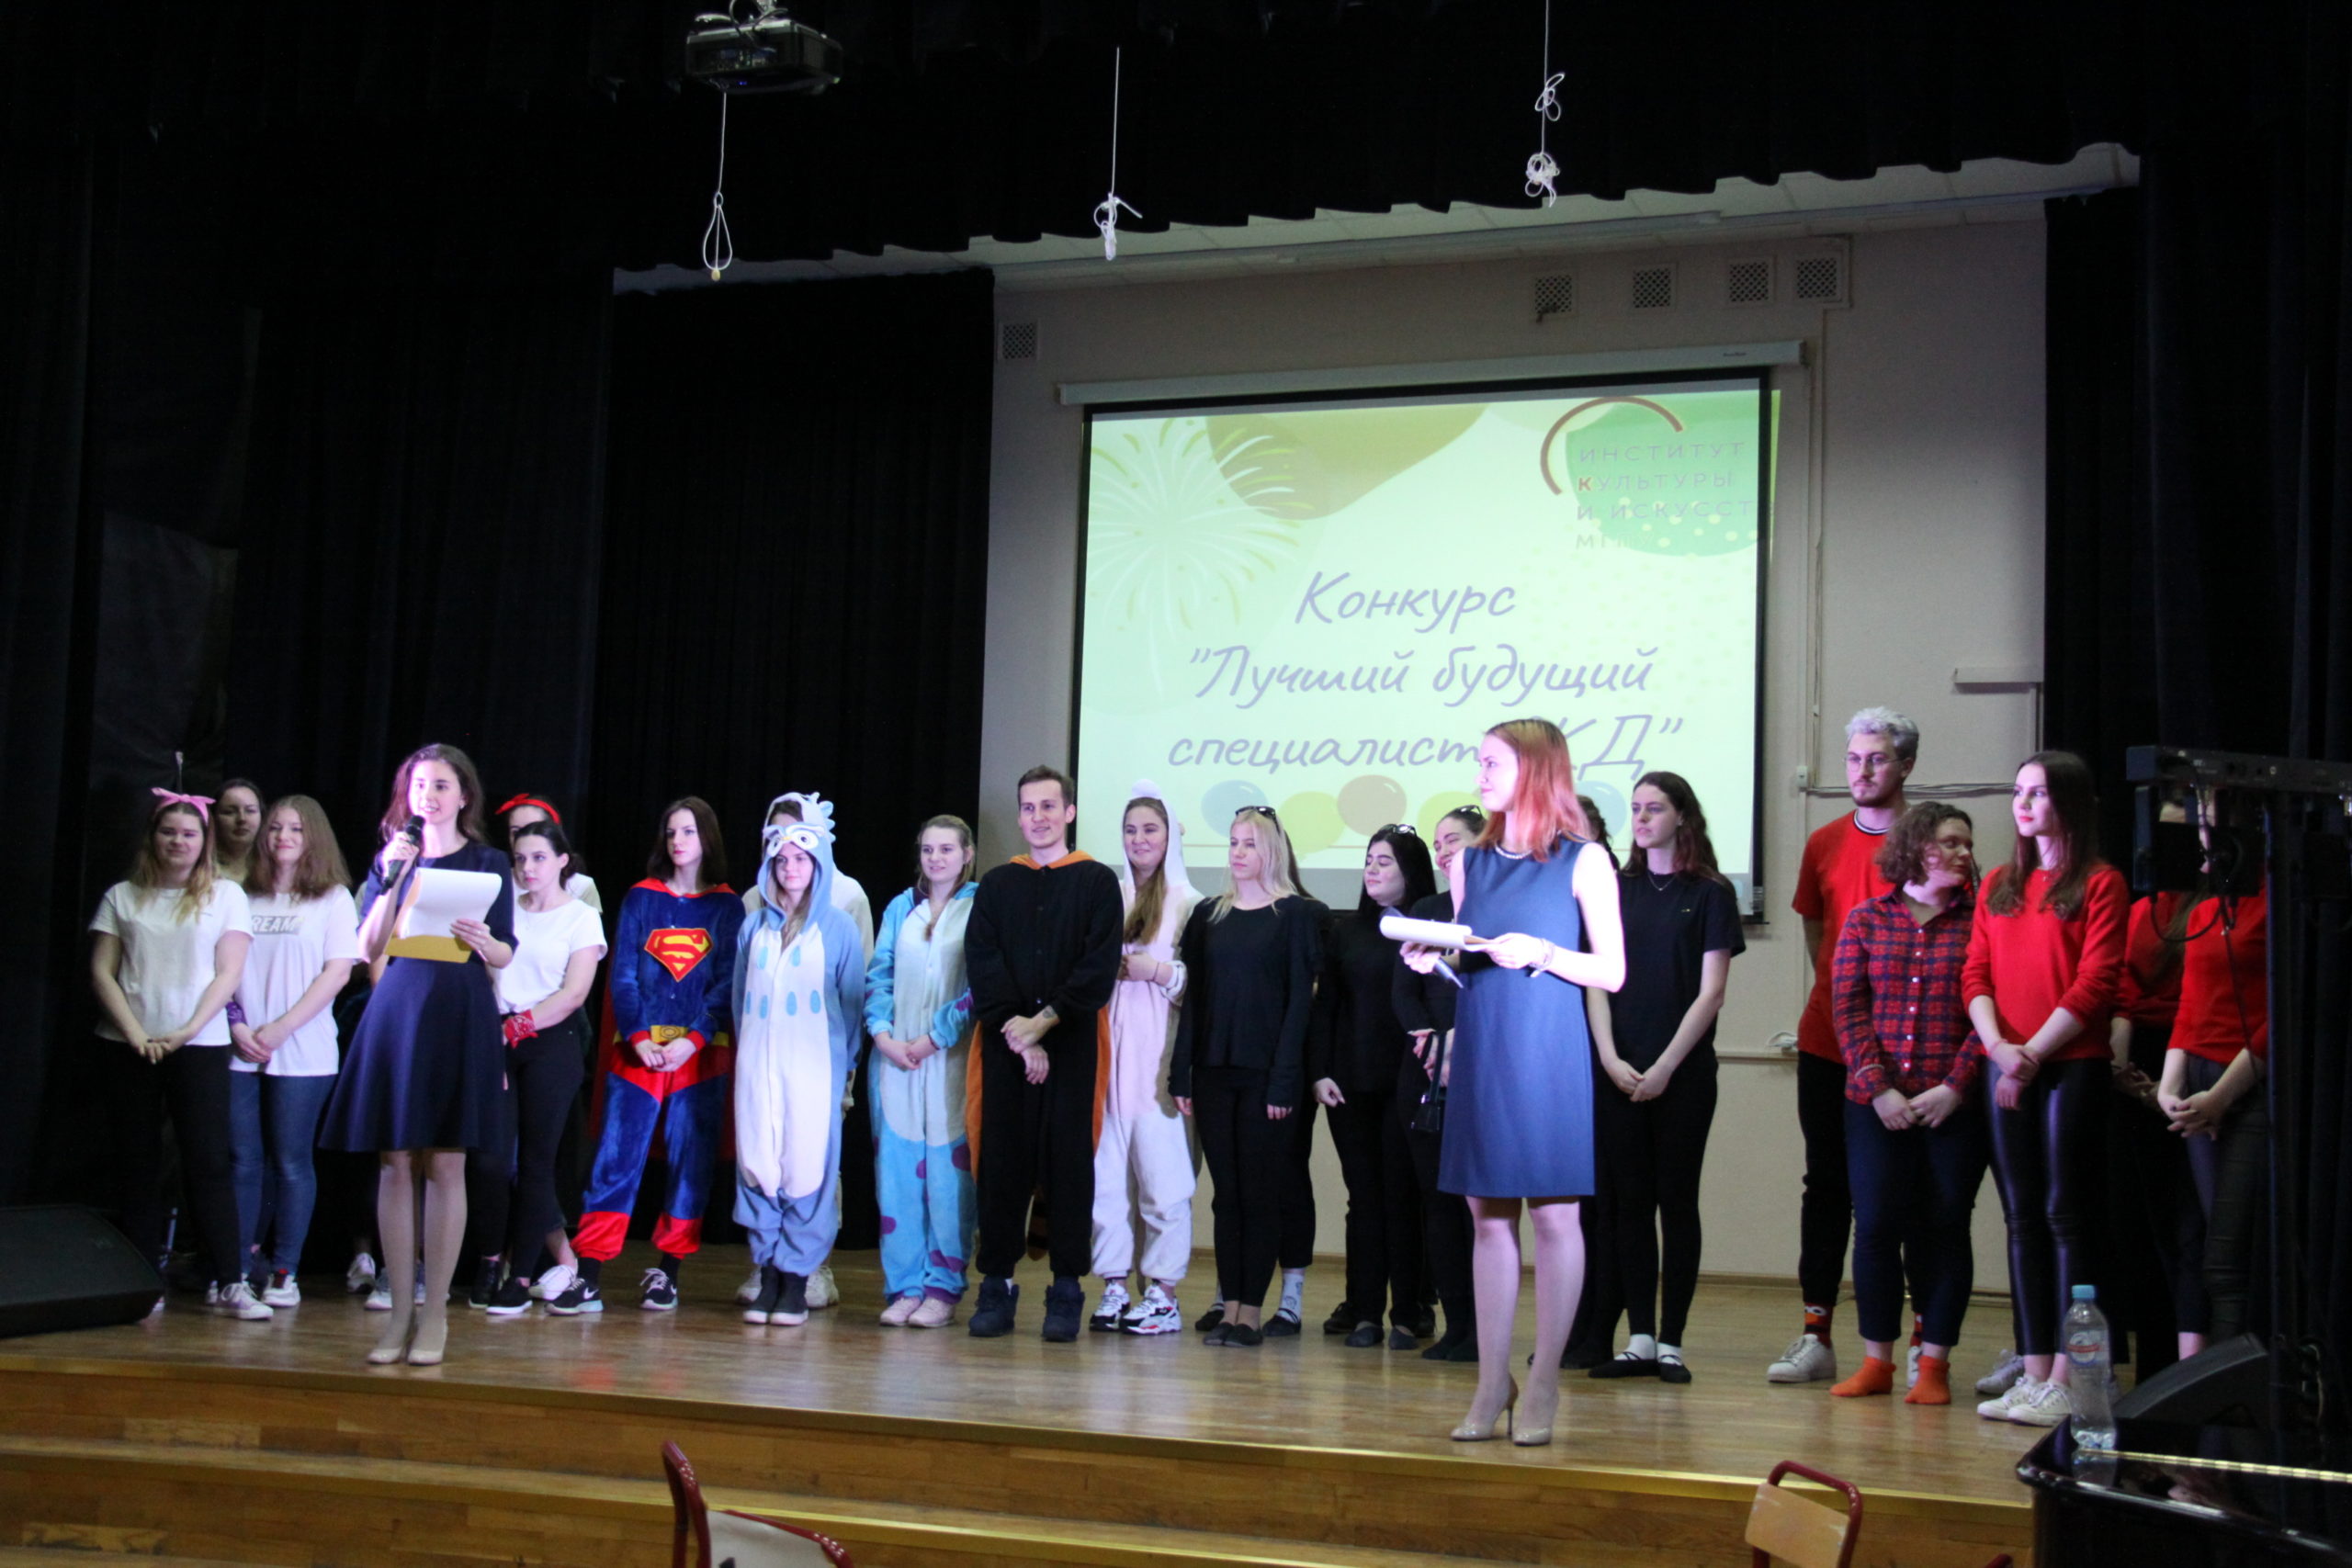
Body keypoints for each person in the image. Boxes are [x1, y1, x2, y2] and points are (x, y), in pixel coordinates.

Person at [1401, 718, 1624, 1445]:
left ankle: (1545, 1380)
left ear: (1533, 769)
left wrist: (1545, 951)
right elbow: (1472, 955)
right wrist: (1433, 956)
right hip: (1486, 1047)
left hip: (1548, 1050)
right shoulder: (1470, 862)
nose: (1480, 775)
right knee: (1487, 1217)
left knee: (1556, 1216)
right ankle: (1492, 1381)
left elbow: (1612, 971)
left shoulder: (1586, 859)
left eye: (1491, 763)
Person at [319, 744, 515, 1364]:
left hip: (459, 1005)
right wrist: (390, 878)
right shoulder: (393, 859)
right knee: (395, 1160)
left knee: (446, 1162)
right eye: (420, 784)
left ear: (464, 796)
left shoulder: (488, 862)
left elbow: (506, 951)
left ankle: (435, 1316)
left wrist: (485, 941)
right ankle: (399, 1312)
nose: (428, 795)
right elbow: (367, 945)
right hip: (400, 1005)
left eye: (441, 785)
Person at [1964, 750, 2129, 1427]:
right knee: (2022, 1217)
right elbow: (1975, 975)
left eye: (2038, 792)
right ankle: (2034, 1373)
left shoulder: (2101, 882)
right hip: (2006, 1063)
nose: (2024, 804)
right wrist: (2000, 1049)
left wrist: (2031, 1053)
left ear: (2070, 802)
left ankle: (2074, 1374)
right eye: (2018, 792)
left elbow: (2095, 983)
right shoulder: (1999, 884)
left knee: (2067, 1215)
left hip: (2069, 1064)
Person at [1774, 705, 1917, 1385]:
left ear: (1906, 765)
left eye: (1877, 758)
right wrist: (1844, 1000)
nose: (1862, 770)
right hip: (1828, 1043)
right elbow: (1816, 931)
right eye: (1854, 758)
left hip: (1905, 1055)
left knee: (1899, 1197)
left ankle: (1917, 1343)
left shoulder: (1929, 840)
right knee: (1825, 1186)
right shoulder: (1825, 841)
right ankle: (1816, 1333)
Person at [1586, 772, 1744, 1384]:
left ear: (1682, 815)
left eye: (1655, 808)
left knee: (1676, 1202)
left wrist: (1665, 1067)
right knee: (1629, 1205)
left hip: (1682, 1074)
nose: (1642, 818)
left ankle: (1672, 1340)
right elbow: (1596, 981)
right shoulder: (1615, 889)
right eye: (1635, 808)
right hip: (1618, 1070)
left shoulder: (1710, 893)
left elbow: (1712, 993)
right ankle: (1640, 1339)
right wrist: (1608, 1056)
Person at [1826, 803, 1987, 1406]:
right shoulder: (1868, 919)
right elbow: (1849, 1008)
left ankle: (1934, 1367)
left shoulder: (1982, 922)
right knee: (1875, 1226)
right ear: (1918, 848)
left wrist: (1957, 1084)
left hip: (1953, 1104)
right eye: (1950, 842)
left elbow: (1992, 1008)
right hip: (1876, 1103)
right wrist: (1879, 1086)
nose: (1963, 853)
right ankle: (1877, 1362)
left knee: (1944, 1226)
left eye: (1967, 844)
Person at [963, 765, 1125, 1342]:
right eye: (1029, 808)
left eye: (1049, 806)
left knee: (1068, 1167)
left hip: (1073, 1044)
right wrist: (1019, 1032)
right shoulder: (997, 885)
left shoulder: (1097, 882)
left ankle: (1066, 1290)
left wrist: (1043, 1023)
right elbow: (983, 961)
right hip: (1006, 1047)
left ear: (1070, 812)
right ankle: (996, 1285)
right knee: (1003, 1165)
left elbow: (1097, 968)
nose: (1039, 817)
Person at [90, 789, 259, 1318]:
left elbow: (229, 973)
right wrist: (134, 1032)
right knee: (136, 1164)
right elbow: (102, 971)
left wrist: (186, 1031)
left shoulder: (226, 896)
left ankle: (230, 1280)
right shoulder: (122, 896)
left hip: (199, 1045)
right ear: (153, 837)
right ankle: (144, 1282)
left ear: (203, 842)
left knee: (208, 1161)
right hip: (128, 1045)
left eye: (189, 834)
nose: (178, 842)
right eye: (169, 832)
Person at [574, 797, 741, 1314]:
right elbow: (622, 975)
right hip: (639, 1051)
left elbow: (726, 984)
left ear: (707, 837)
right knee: (616, 1158)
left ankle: (669, 1272)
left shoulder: (727, 906)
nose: (678, 842)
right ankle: (589, 1274)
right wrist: (639, 1036)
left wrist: (694, 1039)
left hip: (700, 1056)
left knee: (691, 1163)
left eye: (688, 832)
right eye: (671, 832)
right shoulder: (641, 897)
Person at [1169, 807, 1320, 1348]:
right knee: (1226, 1195)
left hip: (1265, 1077)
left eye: (1249, 843)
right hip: (1213, 1072)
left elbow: (1299, 1006)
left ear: (1271, 851)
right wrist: (1181, 1074)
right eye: (1233, 842)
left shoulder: (1294, 915)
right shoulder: (1209, 915)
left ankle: (1250, 1312)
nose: (1238, 852)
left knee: (1260, 1194)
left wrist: (1284, 1081)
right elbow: (1194, 1001)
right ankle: (1229, 1305)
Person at [733, 791, 876, 1314]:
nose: (791, 867)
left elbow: (852, 1002)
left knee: (808, 1165)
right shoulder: (754, 926)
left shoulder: (837, 926)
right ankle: (768, 1270)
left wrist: (843, 1070)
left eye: (801, 857)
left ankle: (798, 1276)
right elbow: (739, 1000)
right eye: (782, 858)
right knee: (760, 1162)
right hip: (760, 1070)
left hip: (815, 1070)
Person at [227, 795, 358, 1307]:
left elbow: (337, 973)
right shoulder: (241, 896)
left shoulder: (332, 899)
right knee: (243, 1162)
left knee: (290, 1162)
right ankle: (237, 1270)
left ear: (313, 839)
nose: (283, 837)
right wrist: (238, 1026)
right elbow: (221, 968)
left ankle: (285, 1270)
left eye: (296, 830)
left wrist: (282, 1028)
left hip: (302, 1050)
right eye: (276, 827)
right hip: (240, 1048)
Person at [1311, 826, 1438, 1349]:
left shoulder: (1433, 928)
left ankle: (1408, 1311)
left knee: (1403, 1196)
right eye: (1369, 860)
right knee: (1363, 1198)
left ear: (1411, 871)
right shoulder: (1348, 931)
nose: (1372, 869)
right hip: (1351, 1086)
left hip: (1409, 1084)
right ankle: (1364, 1311)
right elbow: (1327, 1007)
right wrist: (1321, 1071)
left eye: (1384, 862)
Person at [477, 818, 605, 1316]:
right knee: (490, 1161)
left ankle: (521, 1276)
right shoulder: (504, 909)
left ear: (561, 862)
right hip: (497, 1036)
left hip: (550, 1041)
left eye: (538, 858)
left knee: (535, 1163)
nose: (528, 868)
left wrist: (518, 1026)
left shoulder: (580, 917)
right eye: (521, 859)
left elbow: (574, 994)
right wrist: (499, 1030)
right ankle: (489, 1260)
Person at [1089, 786, 1201, 1336]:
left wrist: (1156, 972)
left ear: (1170, 835)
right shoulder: (1107, 896)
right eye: (1130, 830)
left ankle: (1163, 1293)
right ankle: (1113, 1283)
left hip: (1159, 1065)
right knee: (1106, 1181)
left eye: (1150, 829)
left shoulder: (1190, 902)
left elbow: (1202, 988)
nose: (1139, 840)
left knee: (1165, 1182)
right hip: (1107, 1062)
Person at [2157, 802, 2270, 1342]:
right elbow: (2190, 1004)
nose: (2196, 837)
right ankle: (2218, 1373)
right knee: (2211, 1245)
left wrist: (2221, 1097)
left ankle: (2237, 1378)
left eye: (2205, 823)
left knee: (2231, 1256)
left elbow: (2277, 1020)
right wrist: (2169, 1084)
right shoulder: (2204, 908)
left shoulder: (2274, 905)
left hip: (2247, 1084)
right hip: (2199, 1084)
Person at [865, 815, 978, 1329]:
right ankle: (905, 1286)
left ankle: (941, 1288)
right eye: (928, 849)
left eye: (946, 849)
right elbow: (879, 974)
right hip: (895, 1061)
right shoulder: (900, 908)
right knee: (897, 1177)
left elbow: (980, 985)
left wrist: (937, 1036)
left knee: (949, 1180)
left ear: (967, 854)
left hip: (950, 1060)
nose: (936, 858)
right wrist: (883, 1035)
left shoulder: (980, 906)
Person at [1392, 806, 1485, 1362]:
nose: (1444, 851)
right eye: (1438, 843)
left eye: (1454, 840)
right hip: (1425, 1072)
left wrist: (1460, 1047)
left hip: (1482, 1073)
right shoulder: (1425, 911)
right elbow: (1403, 990)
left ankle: (1484, 1329)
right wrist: (1431, 1044)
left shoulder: (1499, 910)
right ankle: (1455, 1326)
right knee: (1438, 1203)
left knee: (1480, 1208)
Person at [497, 794, 602, 911]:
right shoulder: (498, 880)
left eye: (535, 829)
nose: (524, 838)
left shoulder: (581, 886)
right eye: (516, 832)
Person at [213, 779, 265, 886]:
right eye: (229, 812)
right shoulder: (201, 868)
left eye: (250, 811)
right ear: (214, 817)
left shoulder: (274, 866)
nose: (242, 819)